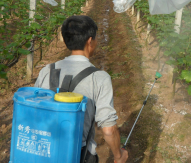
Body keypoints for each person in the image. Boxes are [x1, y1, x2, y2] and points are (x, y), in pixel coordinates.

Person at [35, 16, 129, 163]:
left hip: (44, 150)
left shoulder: (46, 70)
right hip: (80, 155)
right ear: (90, 41)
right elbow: (108, 129)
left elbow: (37, 109)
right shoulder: (100, 77)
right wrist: (118, 156)